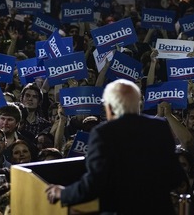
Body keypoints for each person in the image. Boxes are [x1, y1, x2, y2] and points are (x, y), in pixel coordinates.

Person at [45, 79, 186, 214]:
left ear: (110, 108)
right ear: (138, 104)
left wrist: (63, 193)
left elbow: (93, 185)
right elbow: (176, 177)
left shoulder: (103, 133)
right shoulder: (159, 127)